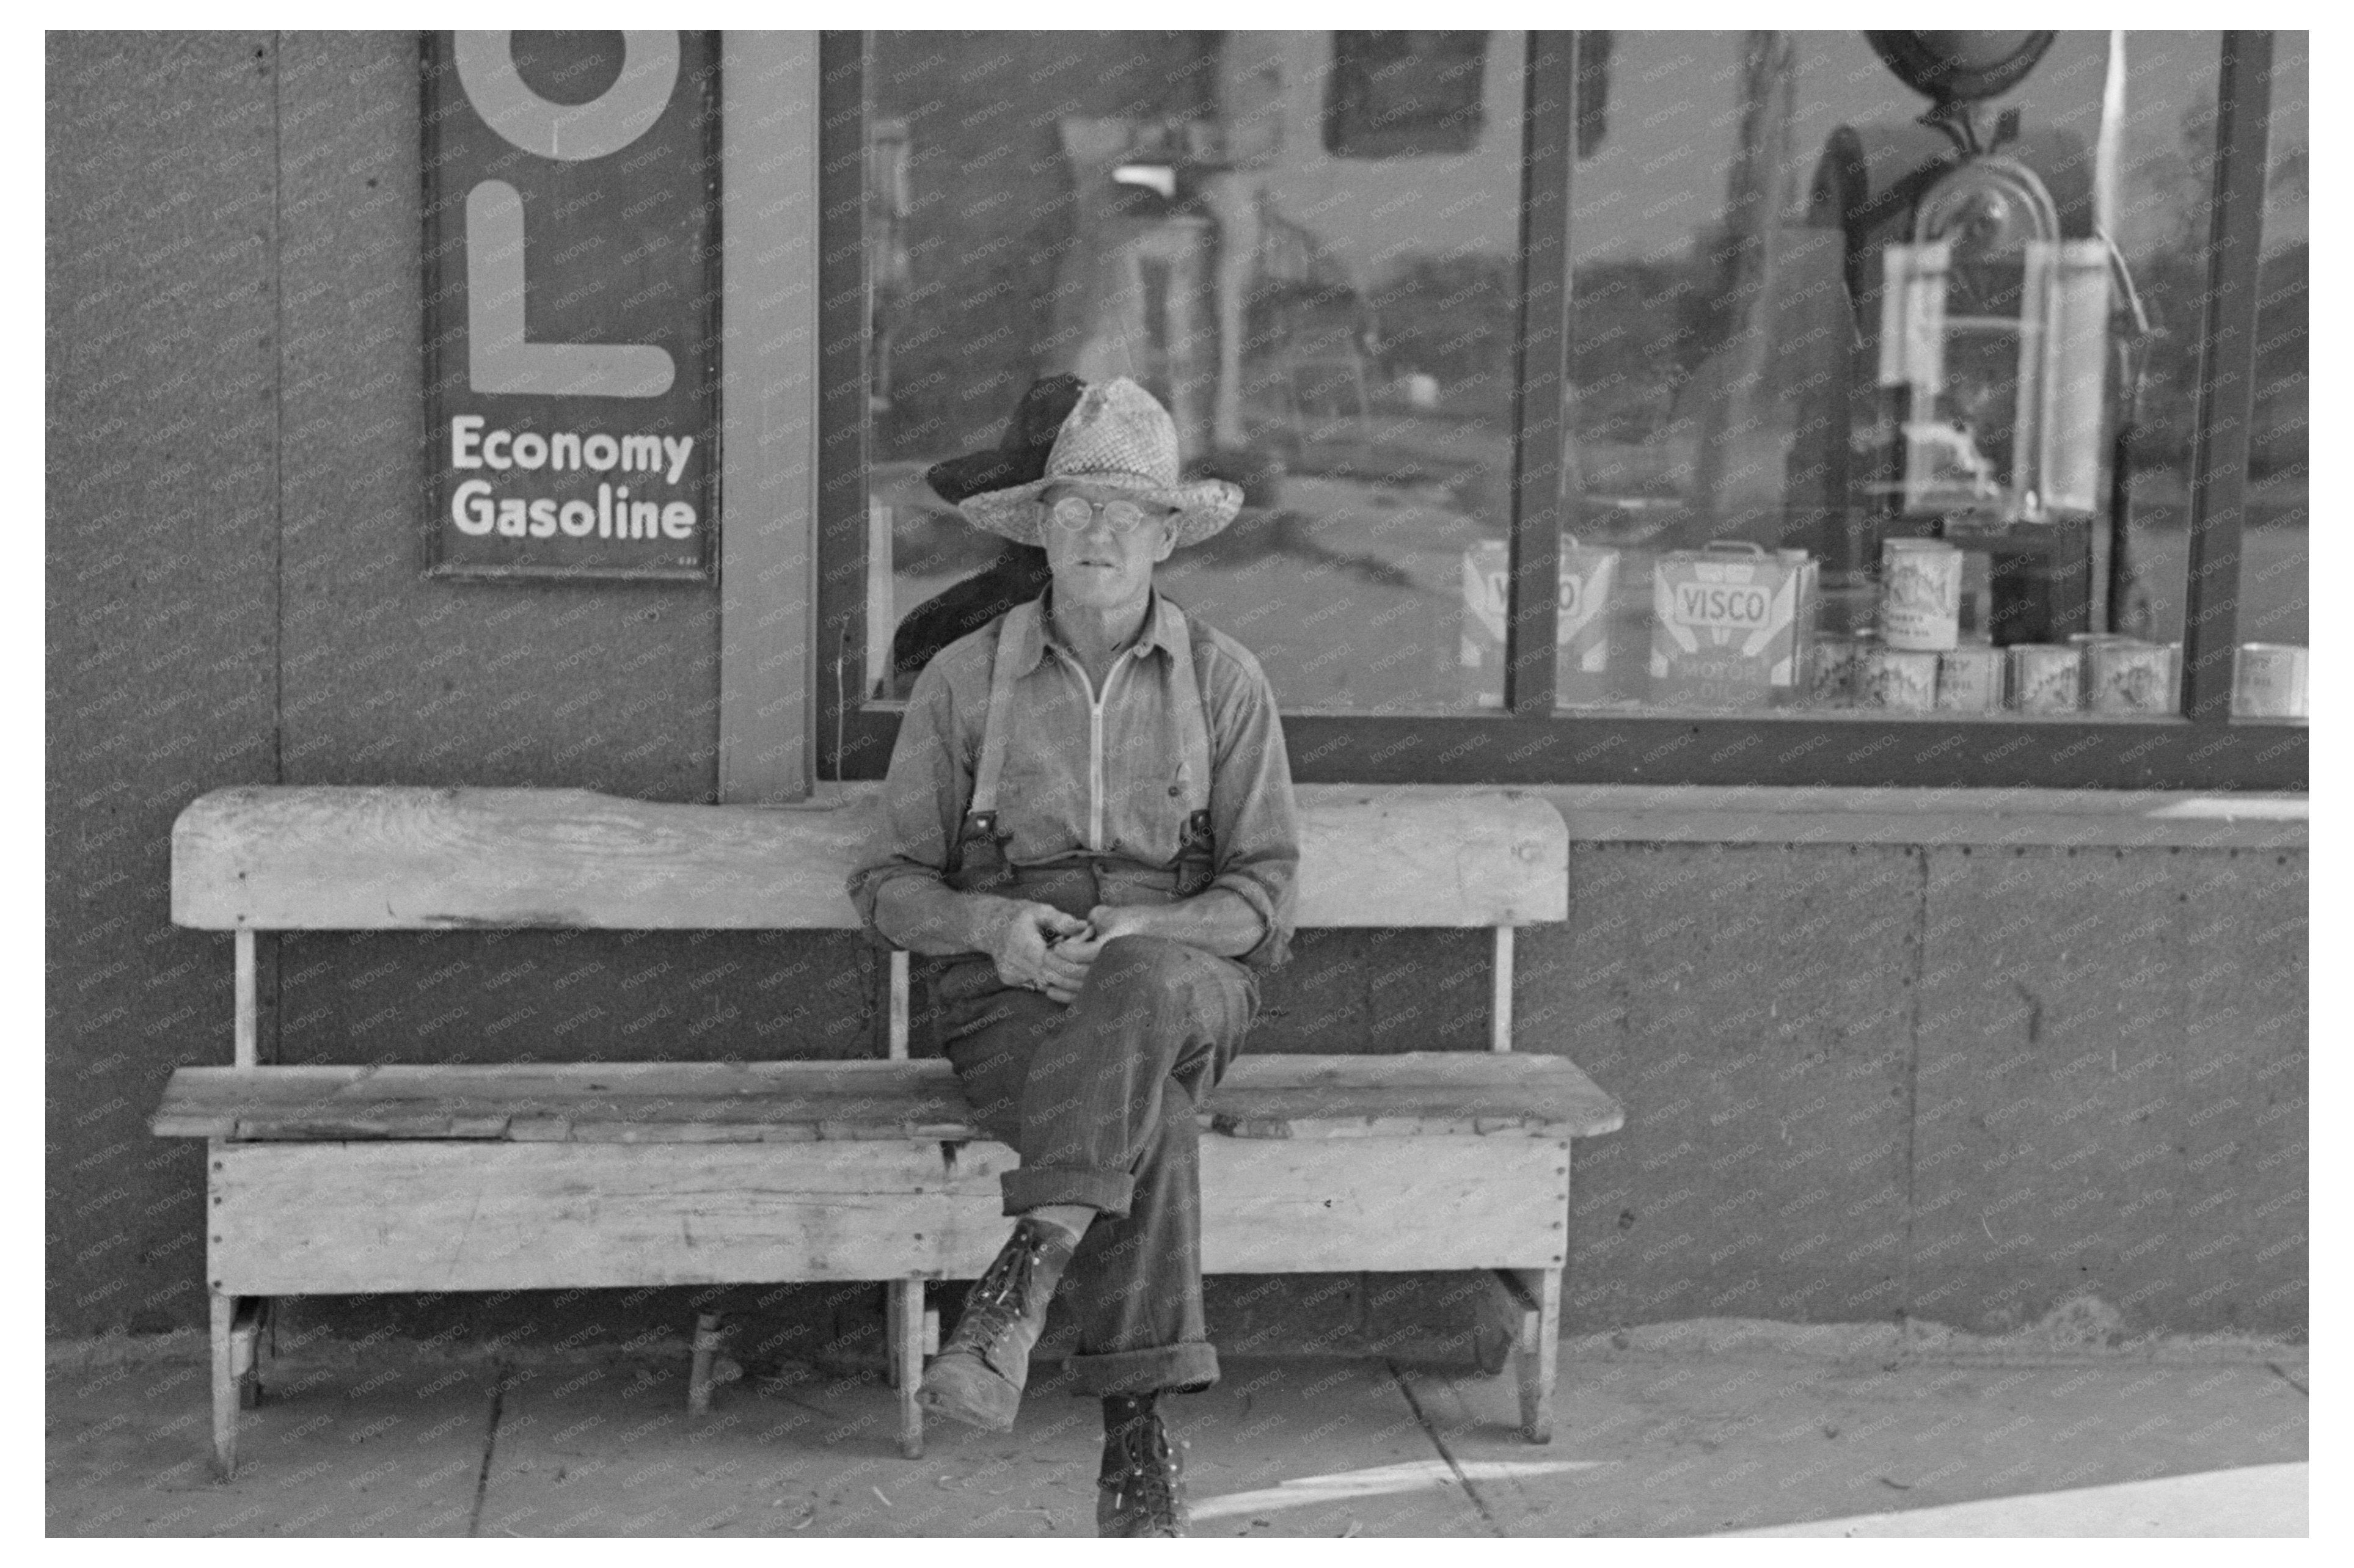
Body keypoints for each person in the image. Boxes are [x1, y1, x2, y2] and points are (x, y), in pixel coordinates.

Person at [849, 377, 1299, 1537]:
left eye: (1123, 512)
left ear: (1164, 536)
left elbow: (1264, 896)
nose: (1097, 532)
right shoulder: (963, 680)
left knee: (1140, 985)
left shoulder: (1223, 681)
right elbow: (889, 884)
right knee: (1161, 1122)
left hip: (1188, 981)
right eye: (1073, 508)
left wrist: (1150, 930)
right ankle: (1138, 1437)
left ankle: (1028, 1271)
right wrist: (992, 927)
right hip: (1013, 1000)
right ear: (1038, 525)